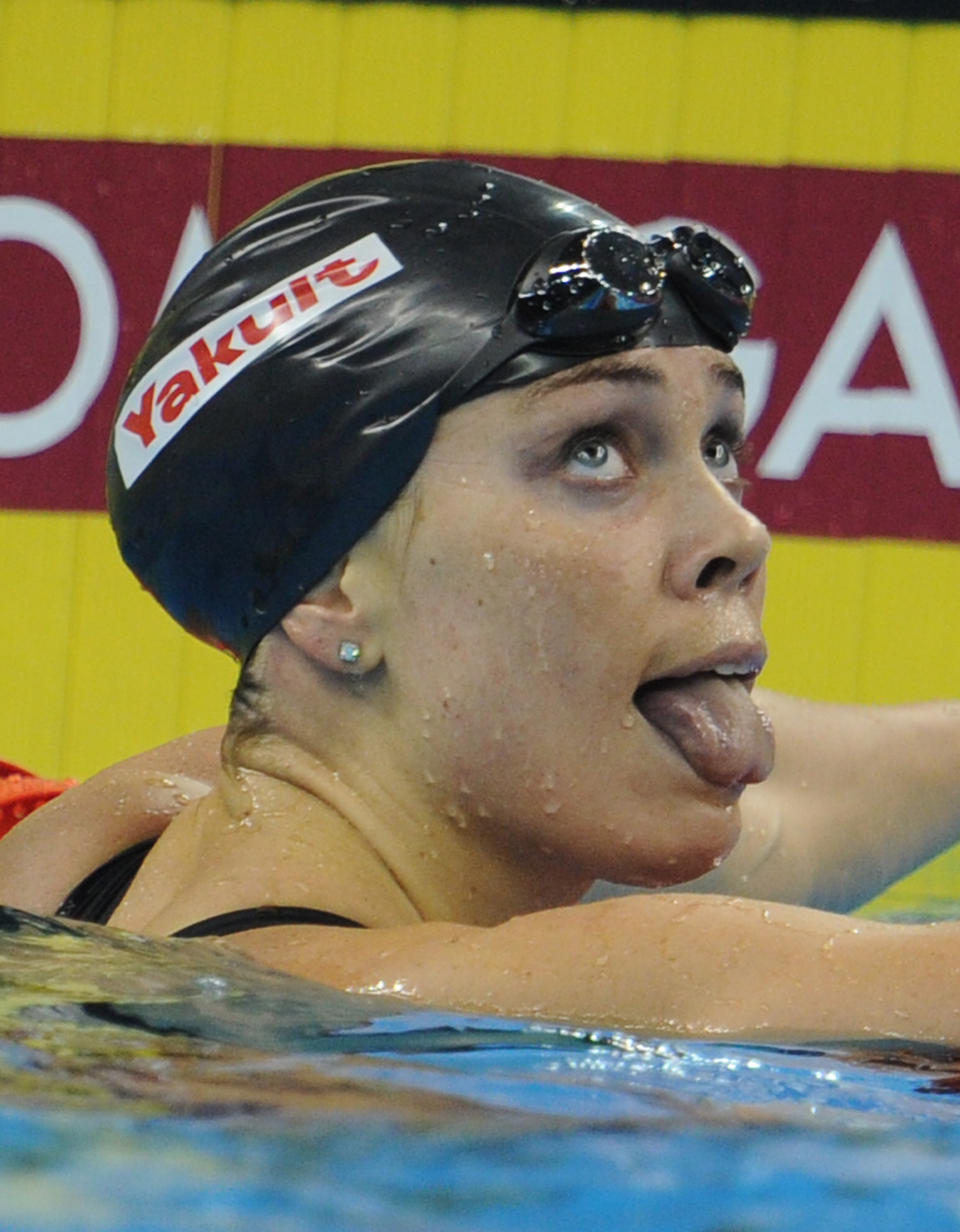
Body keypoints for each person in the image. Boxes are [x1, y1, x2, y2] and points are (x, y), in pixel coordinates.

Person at [3, 160, 960, 1043]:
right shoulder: (461, 1012)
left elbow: (791, 812)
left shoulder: (109, 849)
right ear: (331, 587)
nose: (740, 536)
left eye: (717, 445)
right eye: (593, 451)